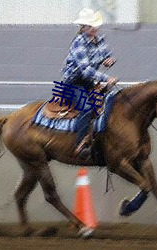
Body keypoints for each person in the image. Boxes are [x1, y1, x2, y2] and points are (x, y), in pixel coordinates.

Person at [61, 8, 117, 158]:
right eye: (90, 25)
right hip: (73, 82)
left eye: (94, 25)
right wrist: (107, 79)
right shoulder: (79, 42)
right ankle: (81, 144)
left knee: (109, 102)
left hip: (89, 81)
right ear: (83, 27)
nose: (93, 28)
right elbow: (85, 69)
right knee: (86, 108)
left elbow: (107, 55)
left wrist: (109, 60)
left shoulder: (100, 40)